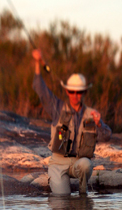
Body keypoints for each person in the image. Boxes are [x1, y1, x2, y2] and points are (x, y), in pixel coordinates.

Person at [32, 49, 112, 195]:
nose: (75, 95)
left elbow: (107, 136)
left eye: (79, 92)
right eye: (72, 91)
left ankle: (83, 194)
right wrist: (38, 62)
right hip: (58, 163)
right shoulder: (56, 108)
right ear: (67, 91)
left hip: (78, 162)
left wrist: (99, 124)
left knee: (86, 165)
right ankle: (56, 182)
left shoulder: (91, 114)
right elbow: (40, 89)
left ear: (84, 93)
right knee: (62, 199)